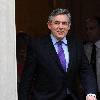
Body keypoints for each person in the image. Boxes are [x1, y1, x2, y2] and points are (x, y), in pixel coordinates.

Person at [18, 8, 97, 100]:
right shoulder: (37, 46)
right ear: (49, 25)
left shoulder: (76, 44)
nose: (61, 27)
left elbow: (86, 70)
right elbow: (27, 78)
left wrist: (91, 93)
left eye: (64, 23)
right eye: (56, 23)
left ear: (69, 26)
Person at [84, 17, 100, 100]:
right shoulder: (84, 49)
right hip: (88, 94)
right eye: (86, 29)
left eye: (92, 28)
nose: (88, 32)